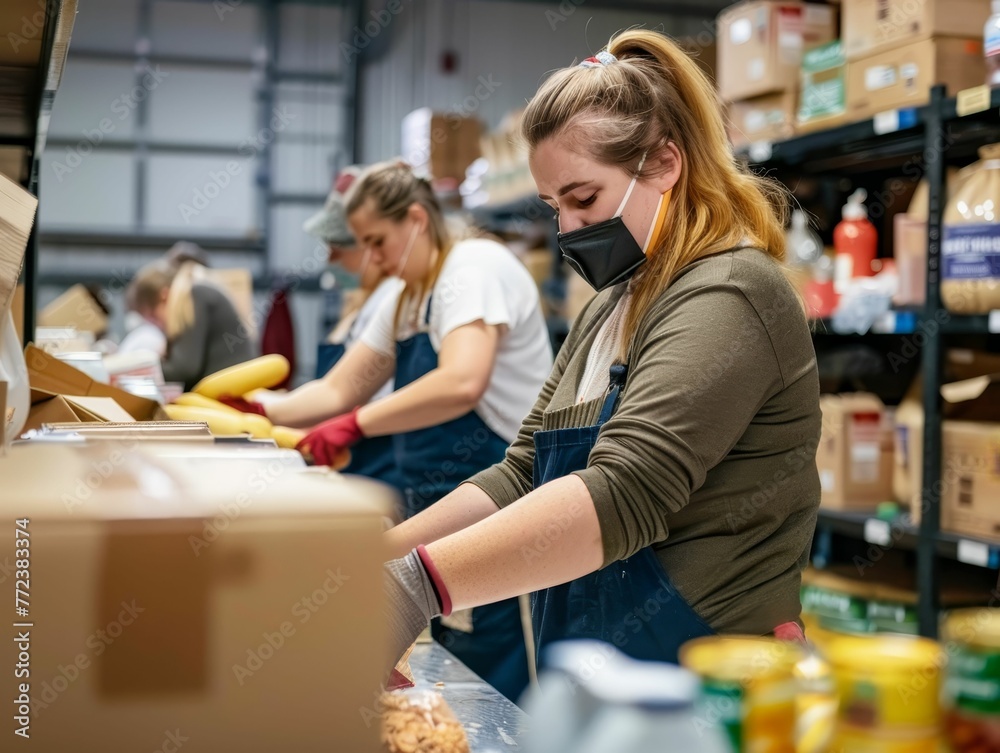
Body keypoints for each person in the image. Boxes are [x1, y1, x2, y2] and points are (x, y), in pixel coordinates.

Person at [379, 30, 822, 678]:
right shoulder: (610, 304)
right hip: (601, 684)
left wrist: (421, 585)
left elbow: (623, 490)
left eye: (584, 198)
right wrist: (381, 559)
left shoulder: (731, 295)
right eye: (555, 207)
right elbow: (524, 471)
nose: (567, 231)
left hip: (707, 694)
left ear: (665, 163)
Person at [225, 160, 554, 702]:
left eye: (376, 242)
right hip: (440, 500)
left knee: (497, 665)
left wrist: (352, 424)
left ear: (417, 219)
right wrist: (264, 412)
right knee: (457, 657)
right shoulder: (407, 296)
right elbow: (337, 388)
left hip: (503, 494)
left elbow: (461, 380)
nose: (370, 260)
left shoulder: (471, 267)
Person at [225, 168, 405, 493]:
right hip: (352, 457)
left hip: (378, 463)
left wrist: (264, 410)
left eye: (338, 247)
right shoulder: (365, 305)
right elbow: (334, 390)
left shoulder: (393, 299)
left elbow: (342, 394)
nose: (329, 257)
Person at [127, 258, 254, 390]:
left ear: (163, 296)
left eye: (154, 316)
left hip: (232, 390)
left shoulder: (192, 297)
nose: (158, 325)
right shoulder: (195, 295)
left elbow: (184, 369)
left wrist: (139, 372)